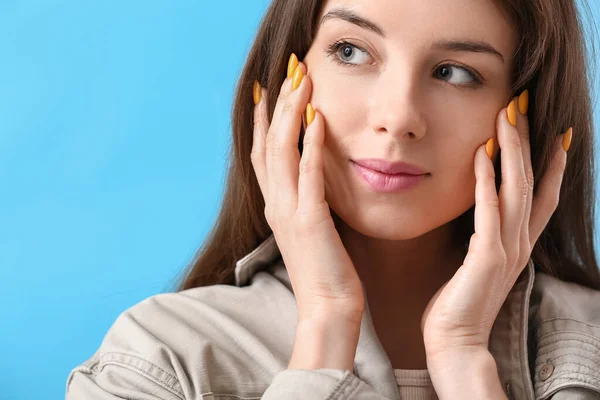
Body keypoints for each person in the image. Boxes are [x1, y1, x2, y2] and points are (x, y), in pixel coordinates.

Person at [65, 0, 600, 399]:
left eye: (455, 73)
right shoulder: (155, 360)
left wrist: (464, 361)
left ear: (528, 116)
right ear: (286, 79)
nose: (398, 118)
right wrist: (324, 329)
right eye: (351, 51)